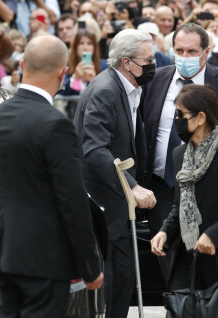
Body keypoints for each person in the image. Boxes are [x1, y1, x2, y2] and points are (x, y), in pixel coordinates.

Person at [0, 34, 103, 317]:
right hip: (44, 260)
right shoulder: (55, 125)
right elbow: (72, 201)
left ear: (23, 64)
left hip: (4, 253)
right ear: (63, 73)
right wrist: (90, 266)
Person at [141, 23, 218, 278]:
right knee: (172, 263)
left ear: (206, 52)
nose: (184, 57)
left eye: (191, 51)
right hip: (163, 185)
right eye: (179, 50)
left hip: (210, 186)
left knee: (210, 261)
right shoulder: (157, 79)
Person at [73, 29, 157, 318]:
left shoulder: (129, 87)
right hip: (105, 202)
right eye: (147, 60)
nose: (152, 64)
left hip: (117, 204)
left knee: (123, 278)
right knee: (114, 279)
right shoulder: (106, 90)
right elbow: (95, 149)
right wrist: (131, 187)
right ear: (126, 63)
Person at [150, 84, 218, 291]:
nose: (176, 121)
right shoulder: (179, 155)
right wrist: (165, 231)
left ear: (200, 118)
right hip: (187, 260)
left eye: (181, 114)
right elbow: (179, 204)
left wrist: (213, 235)